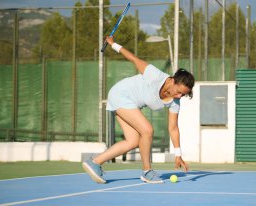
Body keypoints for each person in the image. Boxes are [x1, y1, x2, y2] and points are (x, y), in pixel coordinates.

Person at [82, 36, 195, 184]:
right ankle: (147, 171)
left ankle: (95, 162)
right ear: (173, 80)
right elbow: (133, 58)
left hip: (131, 104)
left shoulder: (175, 102)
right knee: (147, 130)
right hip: (121, 94)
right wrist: (113, 44)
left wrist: (178, 154)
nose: (179, 96)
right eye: (179, 91)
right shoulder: (155, 75)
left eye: (183, 94)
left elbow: (173, 128)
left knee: (133, 141)